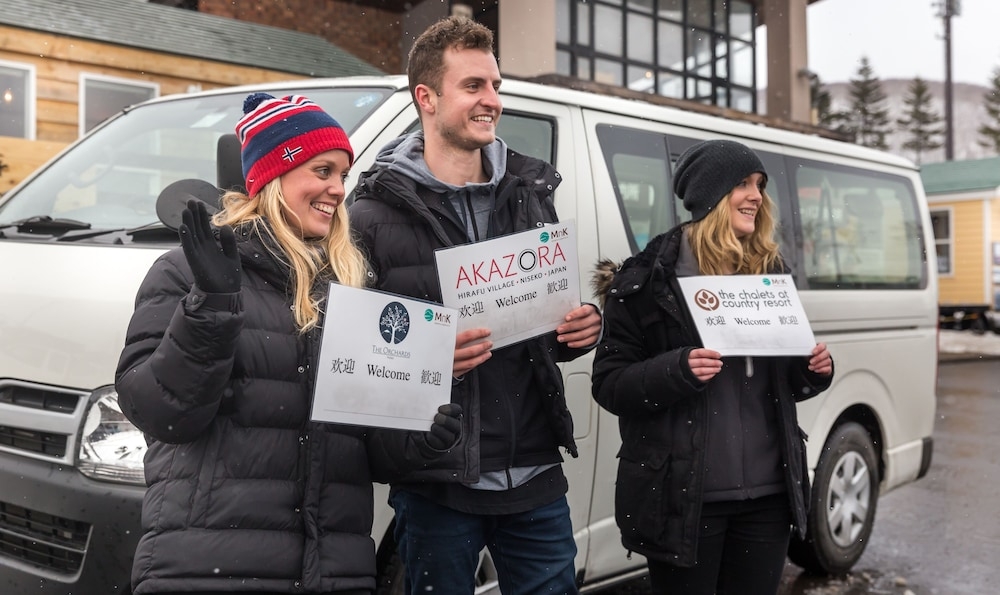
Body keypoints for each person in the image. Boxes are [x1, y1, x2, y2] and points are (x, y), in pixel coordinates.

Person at [348, 15, 603, 595]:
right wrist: (428, 355)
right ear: (427, 98)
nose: (492, 101)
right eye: (473, 87)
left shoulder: (533, 196)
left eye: (495, 87)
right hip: (439, 478)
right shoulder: (369, 217)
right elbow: (356, 353)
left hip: (536, 472)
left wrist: (573, 331)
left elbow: (538, 326)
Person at [116, 93, 384, 594]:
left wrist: (421, 432)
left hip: (333, 570)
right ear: (273, 176)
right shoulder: (187, 271)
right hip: (209, 565)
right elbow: (159, 412)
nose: (338, 189)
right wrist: (212, 308)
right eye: (323, 171)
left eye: (344, 175)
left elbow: (365, 446)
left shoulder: (350, 286)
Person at [590, 139, 835, 595]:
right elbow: (609, 385)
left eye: (759, 184)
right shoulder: (646, 281)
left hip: (768, 499)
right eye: (742, 183)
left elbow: (786, 381)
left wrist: (813, 369)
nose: (756, 195)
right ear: (710, 195)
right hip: (685, 499)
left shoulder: (769, 271)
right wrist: (676, 369)